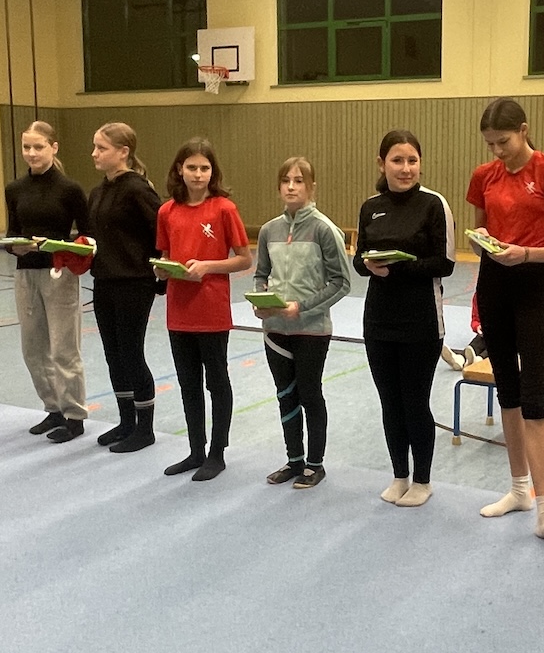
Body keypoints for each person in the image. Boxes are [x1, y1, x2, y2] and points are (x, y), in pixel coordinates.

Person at [468, 97, 544, 554]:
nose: (497, 151)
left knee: (535, 398)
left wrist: (527, 253)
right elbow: (477, 236)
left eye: (504, 142)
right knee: (508, 392)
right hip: (493, 284)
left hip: (534, 285)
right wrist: (484, 242)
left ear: (524, 130)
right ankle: (518, 490)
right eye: (490, 144)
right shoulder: (484, 176)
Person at [355, 130, 457, 506]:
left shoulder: (434, 204)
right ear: (381, 164)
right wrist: (369, 265)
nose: (405, 168)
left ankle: (422, 480)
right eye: (397, 160)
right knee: (390, 403)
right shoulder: (371, 206)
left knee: (415, 402)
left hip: (421, 321)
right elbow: (359, 257)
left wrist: (398, 267)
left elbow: (445, 263)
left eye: (412, 160)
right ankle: (400, 475)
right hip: (378, 320)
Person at [155, 138, 252, 480]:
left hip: (211, 312)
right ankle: (195, 450)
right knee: (188, 384)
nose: (198, 174)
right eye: (192, 167)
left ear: (213, 172)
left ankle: (217, 453)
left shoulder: (224, 209)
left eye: (205, 168)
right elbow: (166, 255)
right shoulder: (166, 212)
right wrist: (162, 269)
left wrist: (208, 266)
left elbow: (244, 258)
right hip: (178, 312)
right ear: (179, 170)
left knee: (217, 382)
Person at [253, 157, 351, 490]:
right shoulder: (269, 230)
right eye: (286, 181)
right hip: (275, 330)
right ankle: (294, 460)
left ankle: (315, 464)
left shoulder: (324, 229)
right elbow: (261, 274)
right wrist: (261, 299)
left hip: (311, 330)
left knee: (309, 394)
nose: (292, 187)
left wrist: (303, 308)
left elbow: (341, 282)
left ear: (311, 187)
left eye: (299, 181)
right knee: (285, 395)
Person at [3, 121, 92, 443]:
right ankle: (52, 408)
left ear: (53, 147)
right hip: (26, 273)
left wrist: (60, 246)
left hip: (59, 274)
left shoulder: (70, 190)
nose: (31, 153)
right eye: (26, 147)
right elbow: (12, 231)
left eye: (38, 147)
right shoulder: (15, 189)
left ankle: (74, 415)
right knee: (33, 349)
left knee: (64, 349)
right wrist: (15, 246)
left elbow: (88, 236)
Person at [88, 122, 162, 453]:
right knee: (113, 354)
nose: (94, 153)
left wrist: (158, 275)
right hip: (104, 282)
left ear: (123, 152)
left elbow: (160, 233)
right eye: (94, 147)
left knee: (132, 353)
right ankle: (126, 421)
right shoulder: (98, 192)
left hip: (134, 283)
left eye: (101, 148)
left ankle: (145, 429)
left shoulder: (138, 190)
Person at [441, 284, 544, 370]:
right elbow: (476, 318)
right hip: (518, 331)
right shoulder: (483, 294)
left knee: (504, 337)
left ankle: (478, 358)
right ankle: (463, 358)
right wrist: (479, 326)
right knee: (492, 332)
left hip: (543, 334)